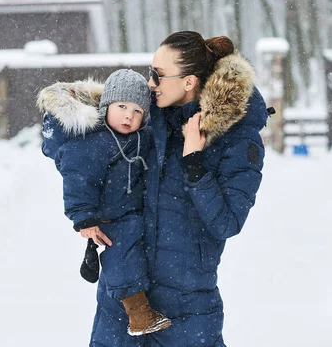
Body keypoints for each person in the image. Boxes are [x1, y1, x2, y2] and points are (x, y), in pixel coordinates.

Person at [88, 32, 269, 347]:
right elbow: (76, 150)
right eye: (150, 72)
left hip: (187, 308)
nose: (150, 83)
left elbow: (227, 222)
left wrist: (194, 164)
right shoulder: (142, 116)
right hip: (124, 298)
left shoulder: (238, 140)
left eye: (158, 75)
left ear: (189, 82)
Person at [36, 69, 172, 337]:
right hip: (109, 218)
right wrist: (84, 218)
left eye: (137, 111)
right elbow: (78, 178)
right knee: (122, 256)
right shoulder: (93, 142)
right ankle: (138, 314)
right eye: (122, 106)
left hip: (132, 212)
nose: (128, 116)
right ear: (106, 105)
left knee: (132, 252)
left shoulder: (138, 138)